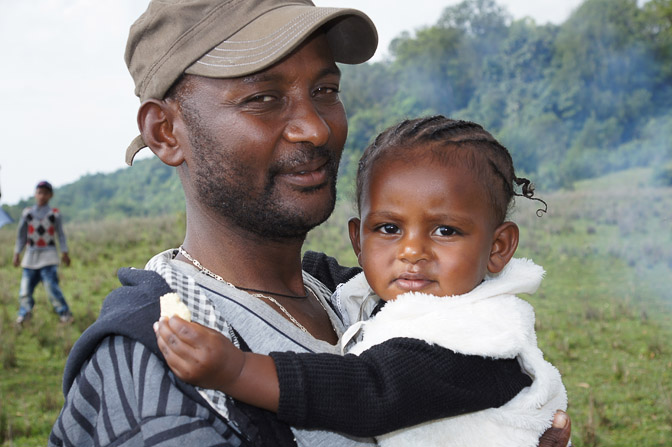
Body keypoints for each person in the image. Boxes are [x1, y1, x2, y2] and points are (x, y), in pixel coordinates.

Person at [50, 1, 571, 446]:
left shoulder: (356, 295)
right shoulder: (164, 369)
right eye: (264, 98)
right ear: (165, 132)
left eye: (325, 90)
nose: (315, 128)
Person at [155, 116, 568, 446]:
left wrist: (236, 369)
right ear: (358, 239)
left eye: (445, 231)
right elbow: (334, 281)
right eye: (388, 229)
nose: (411, 251)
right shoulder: (418, 293)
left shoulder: (478, 342)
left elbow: (369, 391)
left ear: (499, 247)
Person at [13, 180, 73, 325]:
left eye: (45, 193)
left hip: (49, 257)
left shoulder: (54, 214)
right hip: (30, 257)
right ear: (35, 194)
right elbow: (21, 235)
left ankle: (65, 314)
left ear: (50, 195)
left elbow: (60, 235)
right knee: (25, 290)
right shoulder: (27, 213)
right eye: (39, 193)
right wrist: (17, 253)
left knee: (52, 288)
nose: (42, 196)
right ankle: (25, 314)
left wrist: (64, 253)